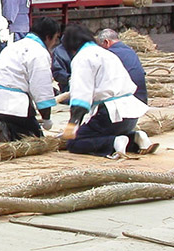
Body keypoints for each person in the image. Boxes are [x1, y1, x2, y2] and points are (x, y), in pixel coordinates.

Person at [61, 24, 157, 158]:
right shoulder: (107, 54)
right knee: (103, 132)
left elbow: (81, 97)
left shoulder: (82, 58)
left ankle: (114, 143)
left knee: (75, 142)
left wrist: (72, 125)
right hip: (131, 114)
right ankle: (135, 137)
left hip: (110, 115)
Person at [0, 17, 60, 143]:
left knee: (21, 123)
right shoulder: (39, 53)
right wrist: (46, 118)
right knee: (35, 137)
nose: (55, 43)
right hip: (15, 103)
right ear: (48, 37)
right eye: (55, 38)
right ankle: (6, 129)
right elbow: (41, 88)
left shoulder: (13, 46)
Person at [95, 28, 148, 103]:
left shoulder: (110, 54)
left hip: (127, 98)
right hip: (141, 97)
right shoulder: (130, 51)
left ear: (106, 42)